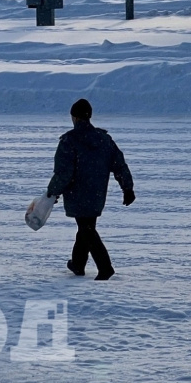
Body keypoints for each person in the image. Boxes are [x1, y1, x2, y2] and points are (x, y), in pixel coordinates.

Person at [46, 98, 135, 281]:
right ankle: (78, 264)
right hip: (96, 193)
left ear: (75, 117)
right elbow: (119, 165)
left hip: (77, 193)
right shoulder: (104, 139)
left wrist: (53, 191)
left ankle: (105, 267)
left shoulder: (69, 141)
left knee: (86, 228)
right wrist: (127, 188)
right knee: (86, 227)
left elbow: (64, 172)